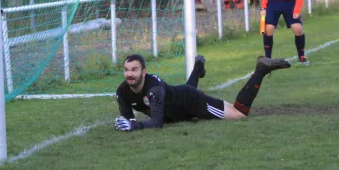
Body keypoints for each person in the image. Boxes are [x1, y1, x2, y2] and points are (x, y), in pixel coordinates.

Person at [114, 54, 290, 132]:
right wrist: (128, 123)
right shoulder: (122, 92)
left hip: (192, 102)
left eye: (134, 70)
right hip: (180, 103)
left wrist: (135, 127)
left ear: (143, 72)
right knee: (184, 93)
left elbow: (157, 123)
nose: (129, 74)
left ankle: (261, 69)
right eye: (126, 70)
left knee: (239, 114)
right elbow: (128, 119)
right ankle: (198, 67)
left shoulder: (154, 90)